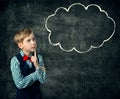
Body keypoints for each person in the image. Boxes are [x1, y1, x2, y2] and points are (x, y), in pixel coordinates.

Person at [10, 28, 46, 99]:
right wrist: (36, 74)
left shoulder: (39, 58)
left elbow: (42, 80)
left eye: (34, 39)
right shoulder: (15, 60)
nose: (33, 42)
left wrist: (37, 65)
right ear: (21, 45)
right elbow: (19, 84)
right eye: (28, 40)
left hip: (37, 96)